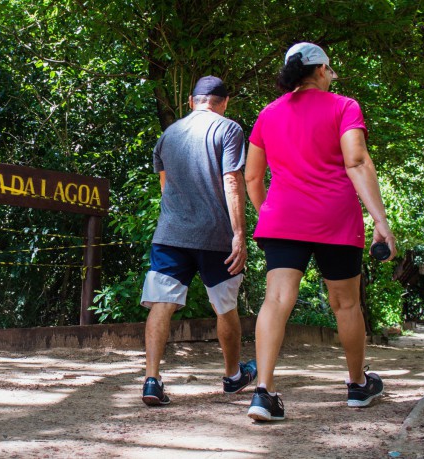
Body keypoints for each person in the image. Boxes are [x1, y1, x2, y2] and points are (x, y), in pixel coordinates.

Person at [244, 42, 397, 421]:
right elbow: (357, 161)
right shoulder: (344, 107)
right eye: (330, 69)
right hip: (335, 217)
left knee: (276, 300)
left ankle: (263, 393)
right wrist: (380, 221)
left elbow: (251, 176)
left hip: (282, 218)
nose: (333, 76)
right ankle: (357, 385)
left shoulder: (268, 113)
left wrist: (271, 214)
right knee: (345, 303)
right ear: (320, 70)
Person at [140, 76, 256, 406]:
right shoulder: (229, 129)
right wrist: (239, 234)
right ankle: (233, 376)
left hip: (170, 235)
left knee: (162, 304)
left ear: (191, 101)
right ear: (225, 102)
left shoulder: (168, 135)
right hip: (215, 235)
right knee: (225, 306)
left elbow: (166, 188)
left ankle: (151, 379)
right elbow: (232, 182)